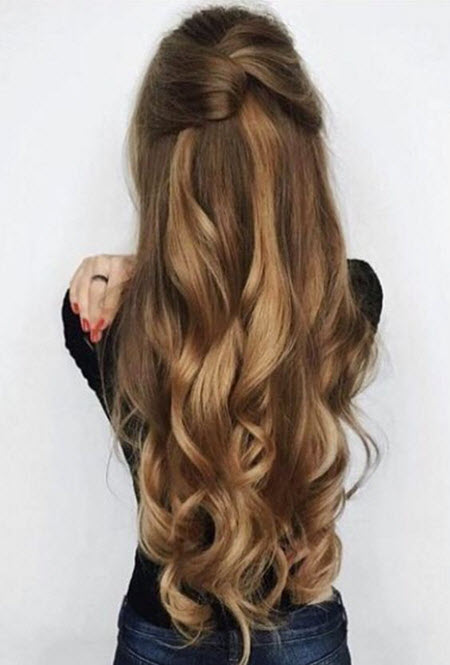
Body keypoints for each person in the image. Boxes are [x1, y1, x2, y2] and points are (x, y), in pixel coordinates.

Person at [61, 5, 383, 664]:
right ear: (302, 164)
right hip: (303, 635)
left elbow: (173, 301)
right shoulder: (350, 300)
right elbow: (281, 289)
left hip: (161, 631)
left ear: (156, 164)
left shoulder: (101, 316)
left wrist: (128, 268)